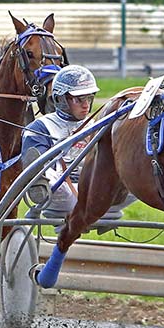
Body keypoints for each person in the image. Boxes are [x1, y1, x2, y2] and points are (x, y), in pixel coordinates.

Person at [21, 65, 133, 219]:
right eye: (79, 99)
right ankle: (39, 183)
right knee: (51, 178)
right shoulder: (40, 127)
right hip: (61, 188)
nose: (86, 104)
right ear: (60, 99)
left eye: (89, 98)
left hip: (93, 188)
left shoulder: (95, 125)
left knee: (136, 181)